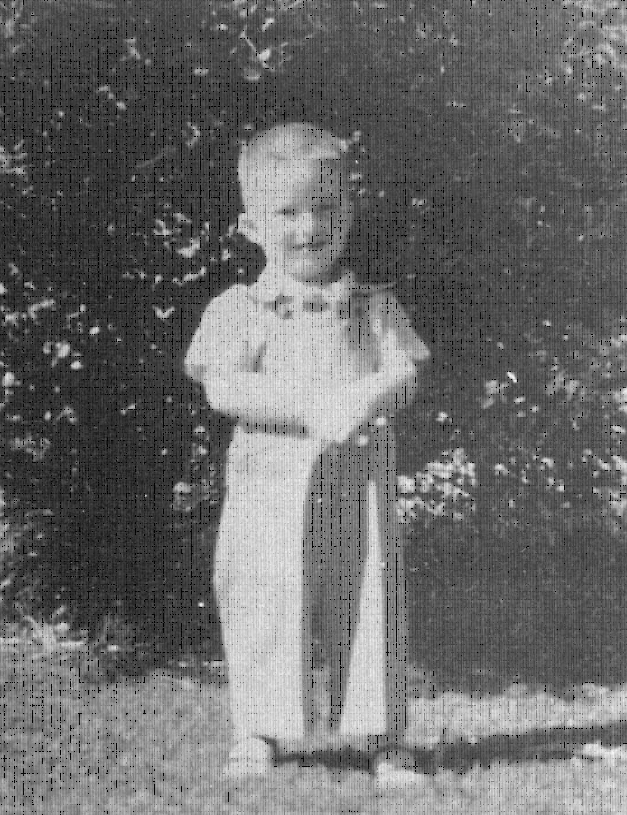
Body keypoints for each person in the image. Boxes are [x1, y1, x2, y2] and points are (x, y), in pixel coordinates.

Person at [184, 122, 431, 783]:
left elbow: (405, 371)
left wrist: (368, 395)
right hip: (269, 484)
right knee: (262, 596)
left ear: (349, 211)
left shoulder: (372, 306)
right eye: (288, 212)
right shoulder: (240, 308)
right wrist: (308, 407)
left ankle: (383, 736)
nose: (309, 227)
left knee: (370, 596)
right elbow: (223, 386)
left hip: (358, 482)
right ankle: (258, 730)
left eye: (325, 208)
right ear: (251, 226)